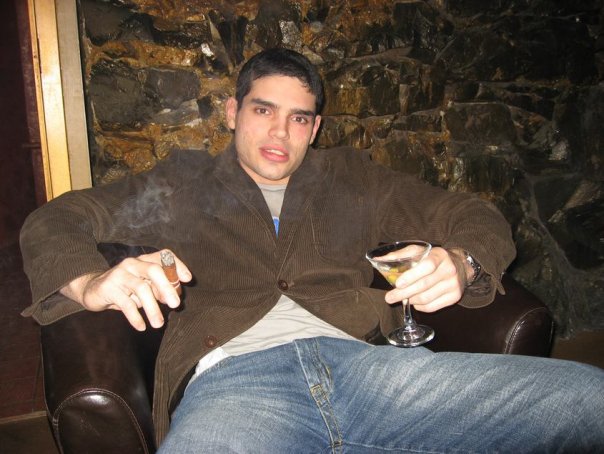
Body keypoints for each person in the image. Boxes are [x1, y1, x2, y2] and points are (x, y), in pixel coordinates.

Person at [21, 48, 603, 452]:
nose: (281, 133)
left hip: (377, 371)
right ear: (233, 112)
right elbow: (56, 219)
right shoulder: (180, 182)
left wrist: (462, 260)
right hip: (235, 385)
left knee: (586, 399)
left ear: (316, 128)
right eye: (263, 111)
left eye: (299, 119)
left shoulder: (354, 177)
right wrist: (89, 283)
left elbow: (473, 215)